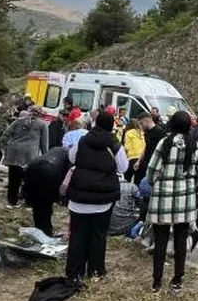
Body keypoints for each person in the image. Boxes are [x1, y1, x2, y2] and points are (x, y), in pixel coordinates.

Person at [144, 110, 198, 292]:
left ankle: (157, 282)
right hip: (185, 202)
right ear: (188, 126)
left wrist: (158, 184)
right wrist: (189, 186)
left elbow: (151, 171)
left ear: (172, 123)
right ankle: (177, 280)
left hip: (162, 200)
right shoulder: (195, 146)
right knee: (181, 240)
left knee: (160, 240)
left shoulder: (164, 143)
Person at [63, 110, 127, 282]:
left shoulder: (83, 140)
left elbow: (71, 157)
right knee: (98, 235)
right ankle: (96, 271)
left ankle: (74, 272)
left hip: (79, 198)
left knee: (77, 235)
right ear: (111, 125)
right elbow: (123, 167)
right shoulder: (114, 144)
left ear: (95, 123)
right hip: (103, 200)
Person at [0, 107, 48, 207]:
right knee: (29, 179)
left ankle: (12, 201)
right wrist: (45, 158)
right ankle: (27, 202)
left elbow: (5, 136)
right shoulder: (43, 125)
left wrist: (5, 148)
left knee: (13, 178)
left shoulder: (17, 121)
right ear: (40, 114)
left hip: (14, 152)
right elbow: (44, 144)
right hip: (29, 155)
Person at [21, 146, 70, 237]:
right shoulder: (71, 155)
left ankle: (41, 230)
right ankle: (45, 231)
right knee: (45, 205)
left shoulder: (60, 150)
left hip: (34, 168)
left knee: (38, 205)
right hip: (49, 172)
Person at [121, 116, 145, 181]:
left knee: (126, 179)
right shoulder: (143, 133)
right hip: (142, 159)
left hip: (131, 159)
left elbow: (127, 148)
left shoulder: (128, 133)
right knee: (138, 181)